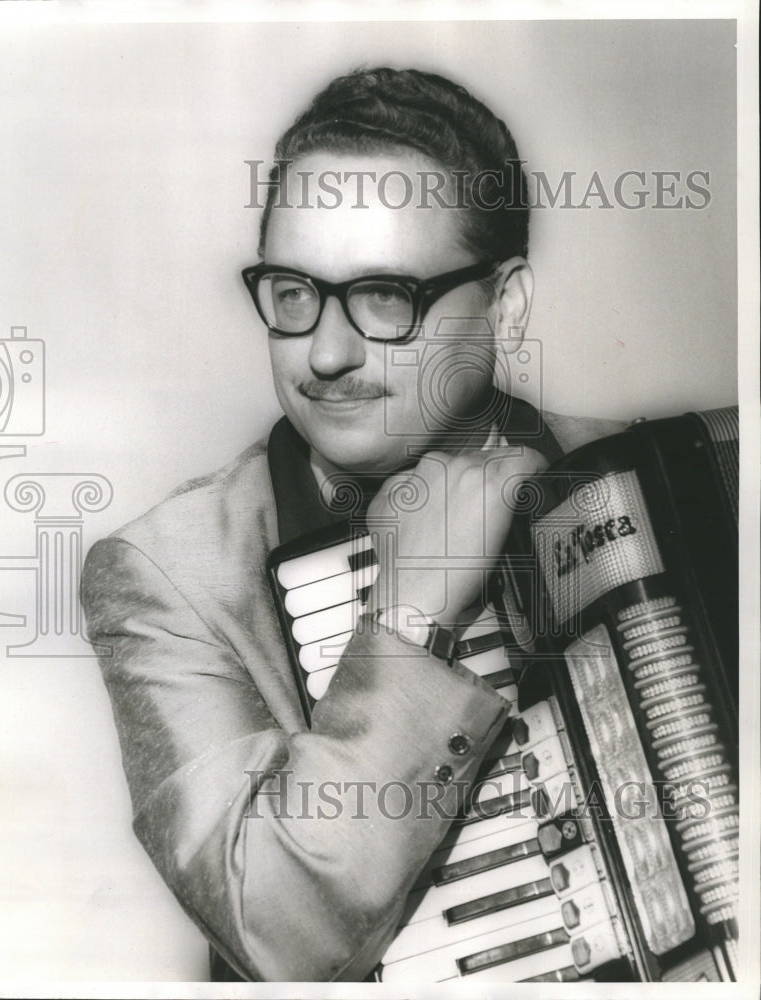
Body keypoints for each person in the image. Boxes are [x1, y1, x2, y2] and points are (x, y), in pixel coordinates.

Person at [81, 66, 619, 982]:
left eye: (385, 296)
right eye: (294, 294)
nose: (325, 354)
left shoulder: (666, 485)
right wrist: (408, 624)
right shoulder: (169, 575)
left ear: (507, 303)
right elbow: (278, 936)